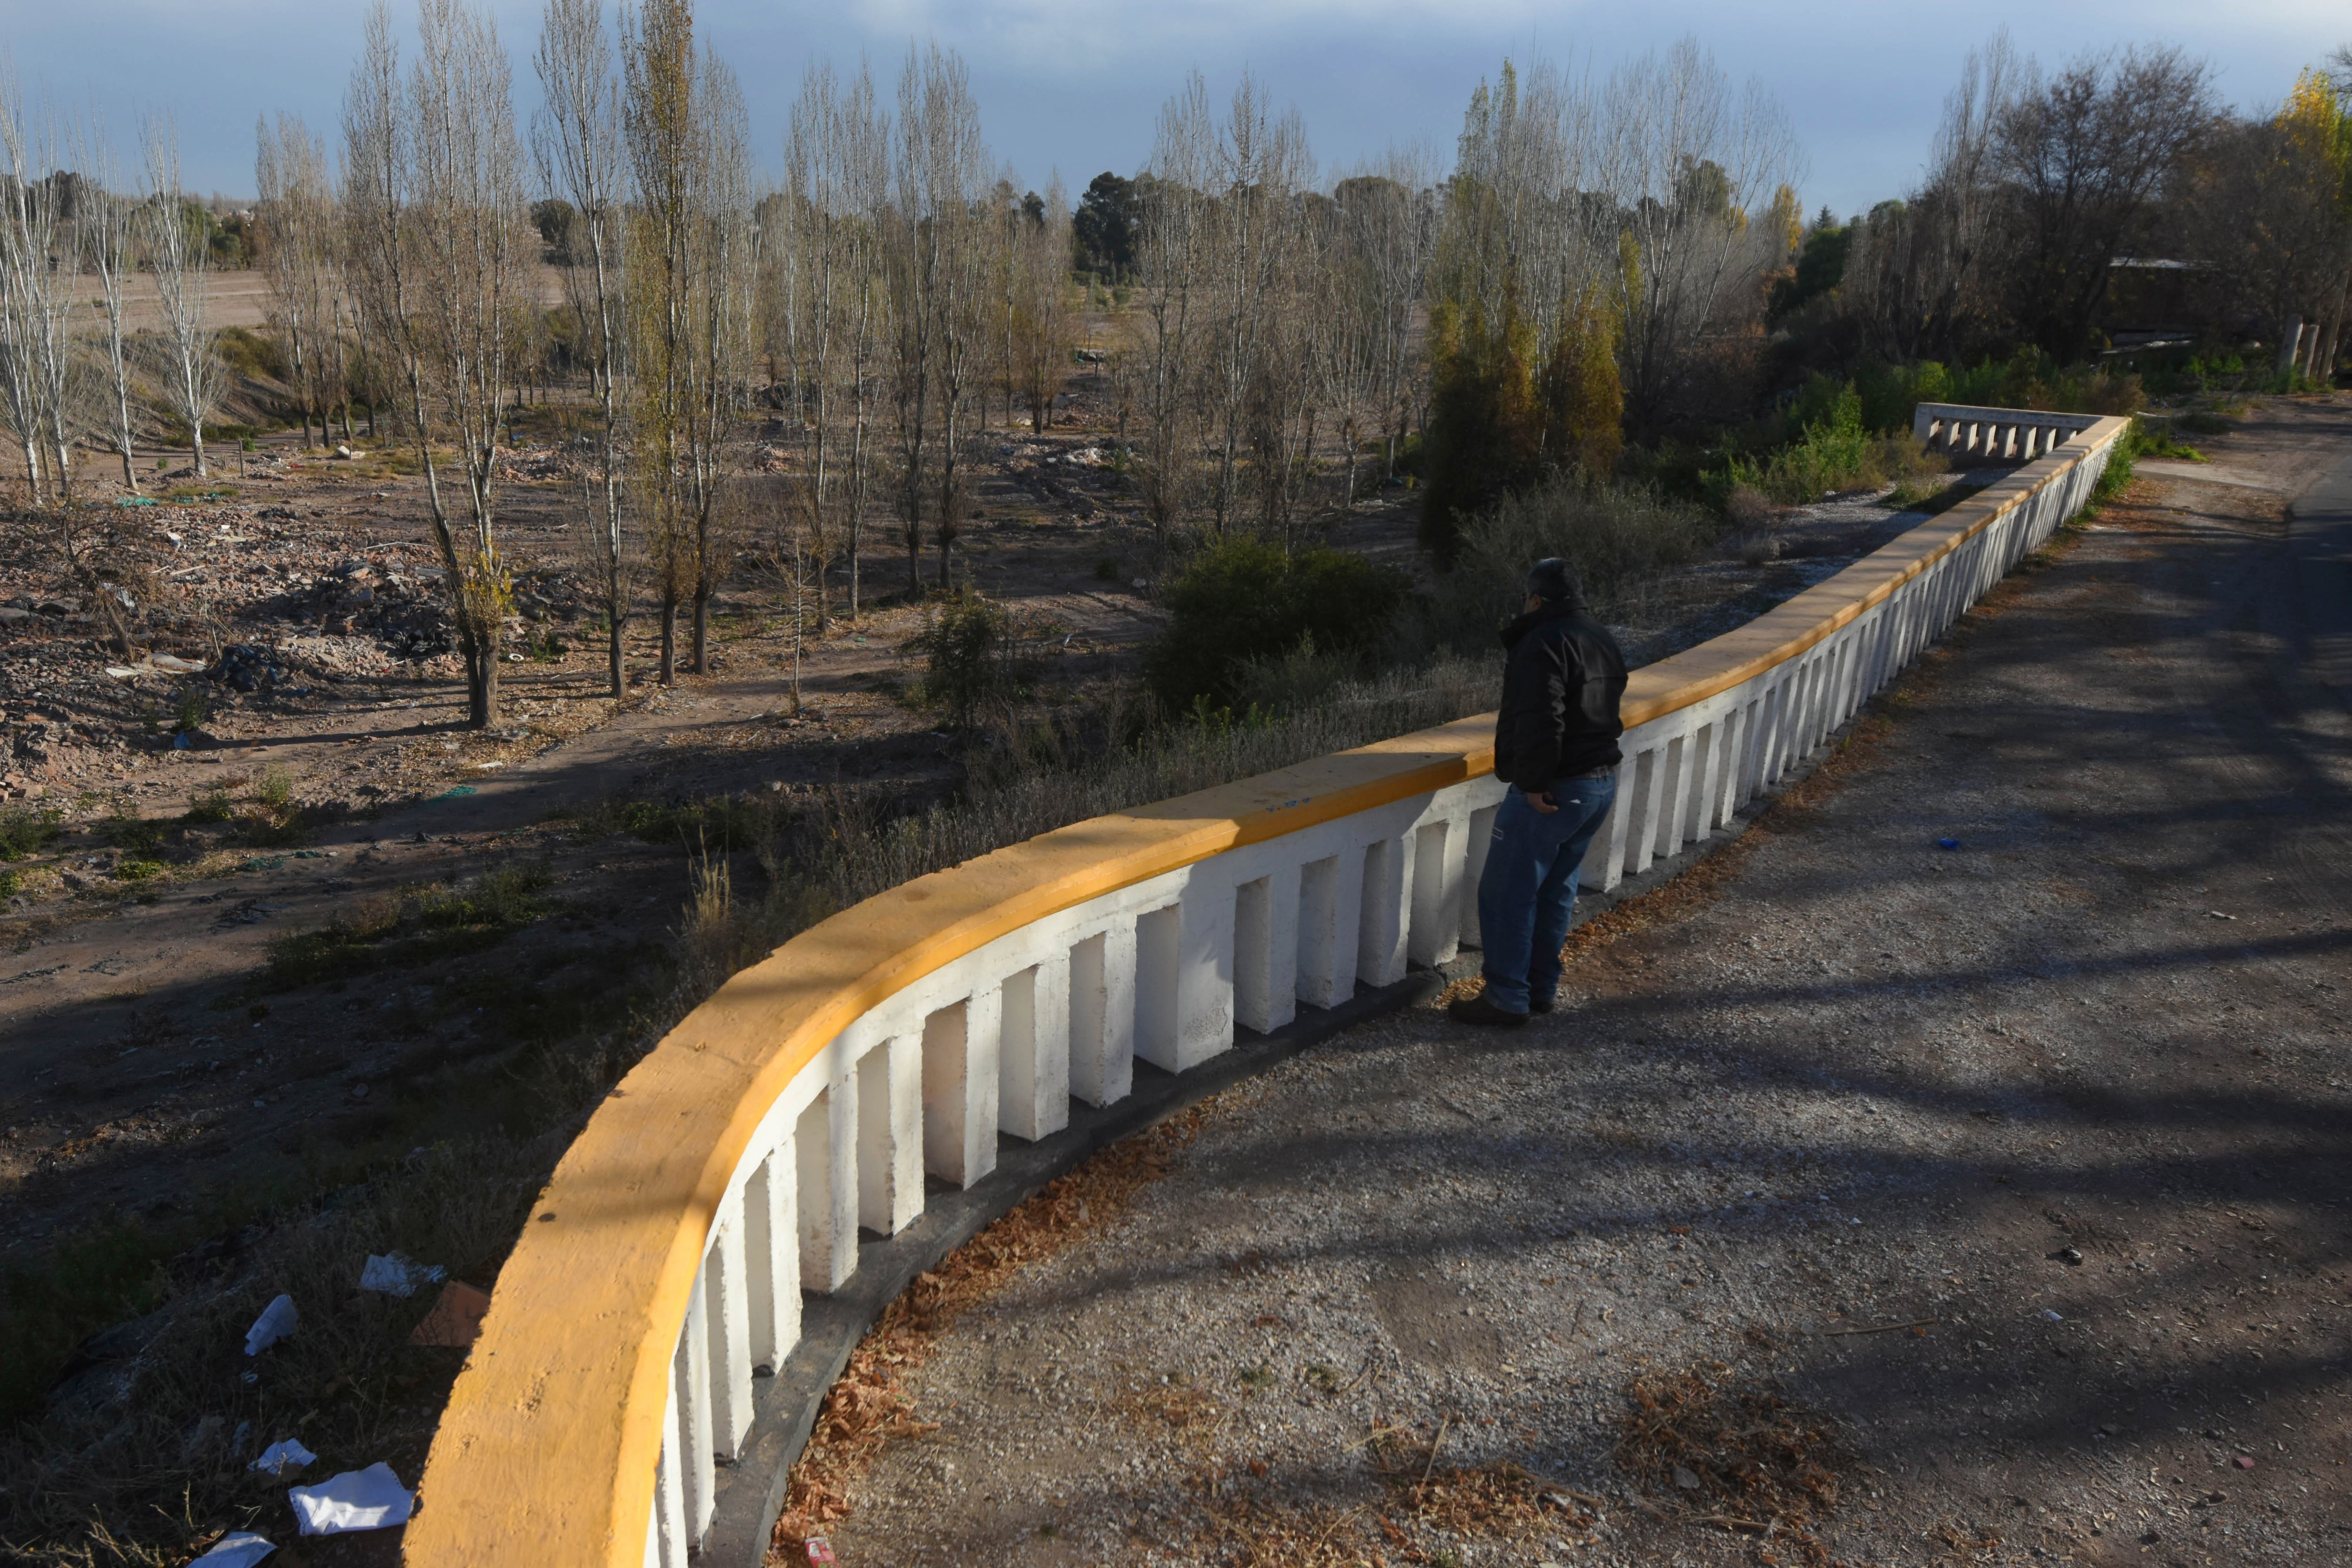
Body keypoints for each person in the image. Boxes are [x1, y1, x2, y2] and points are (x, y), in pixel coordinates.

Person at [1449, 557, 1628, 1027]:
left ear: (1534, 599)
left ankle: (1506, 997)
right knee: (1554, 891)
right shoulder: (1599, 637)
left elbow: (1539, 718)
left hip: (1556, 787)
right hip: (1598, 783)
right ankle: (1539, 989)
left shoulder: (1542, 642)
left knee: (1506, 893)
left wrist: (1532, 782)